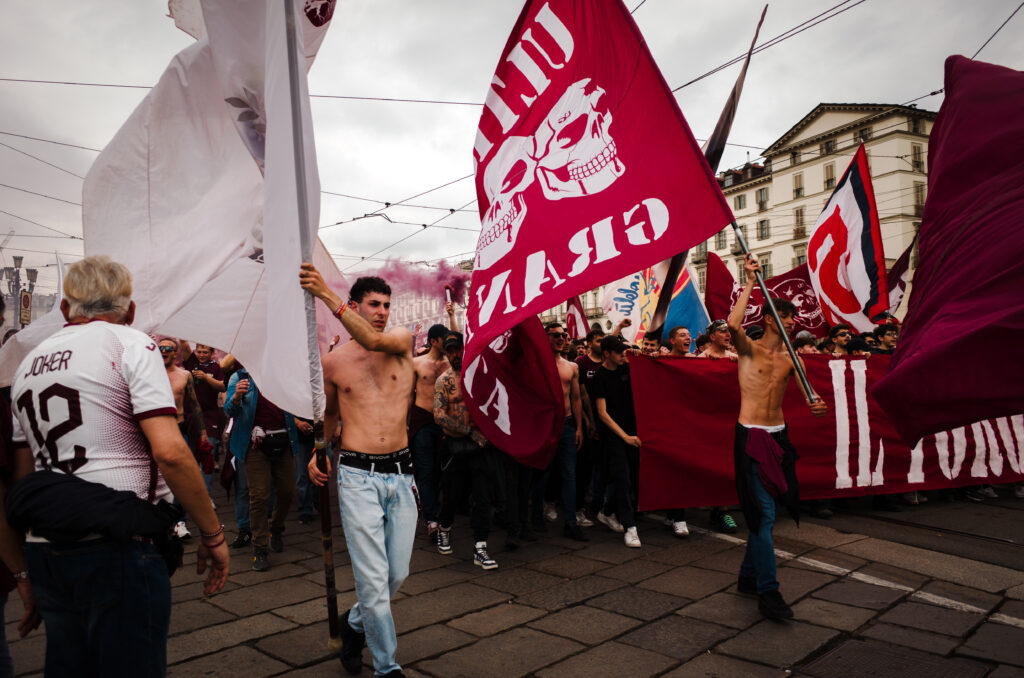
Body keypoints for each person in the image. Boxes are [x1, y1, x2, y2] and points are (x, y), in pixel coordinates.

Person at [10, 256, 228, 676]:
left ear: (65, 309)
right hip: (117, 540)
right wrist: (212, 533)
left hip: (45, 545)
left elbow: (23, 478)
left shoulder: (27, 364)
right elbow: (170, 451)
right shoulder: (130, 343)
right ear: (130, 311)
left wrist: (25, 568)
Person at [301, 263, 417, 678]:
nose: (382, 312)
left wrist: (324, 293)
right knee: (372, 580)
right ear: (355, 306)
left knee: (396, 574)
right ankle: (387, 666)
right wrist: (318, 453)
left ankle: (354, 625)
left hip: (401, 474)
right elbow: (331, 415)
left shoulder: (401, 341)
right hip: (356, 475)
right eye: (373, 304)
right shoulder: (333, 363)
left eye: (386, 304)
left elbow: (372, 338)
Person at [728, 255, 826, 620]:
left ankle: (747, 577)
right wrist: (752, 281)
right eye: (786, 317)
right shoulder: (748, 350)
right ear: (771, 319)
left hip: (779, 436)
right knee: (765, 515)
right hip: (751, 435)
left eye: (793, 318)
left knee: (768, 511)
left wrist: (818, 405)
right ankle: (769, 592)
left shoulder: (792, 359)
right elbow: (733, 324)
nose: (792, 322)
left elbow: (811, 395)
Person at [433, 332, 499, 570]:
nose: (455, 354)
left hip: (479, 447)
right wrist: (470, 432)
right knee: (452, 496)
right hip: (455, 446)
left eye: (458, 349)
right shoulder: (444, 381)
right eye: (450, 350)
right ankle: (444, 528)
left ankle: (480, 546)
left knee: (483, 498)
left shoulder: (480, 376)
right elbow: (439, 415)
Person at [224, 368, 300, 572]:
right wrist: (237, 397)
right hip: (254, 445)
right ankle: (260, 548)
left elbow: (298, 401)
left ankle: (276, 528)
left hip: (284, 441)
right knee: (259, 495)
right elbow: (229, 411)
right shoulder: (240, 377)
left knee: (287, 492)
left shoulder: (283, 374)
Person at [532, 322, 588, 542]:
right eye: (555, 335)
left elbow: (576, 398)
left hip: (566, 425)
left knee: (569, 474)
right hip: (544, 426)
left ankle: (571, 523)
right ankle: (536, 517)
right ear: (545, 337)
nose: (561, 339)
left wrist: (579, 427)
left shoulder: (571, 367)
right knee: (542, 473)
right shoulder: (536, 364)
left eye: (563, 335)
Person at [591, 336, 643, 547]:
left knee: (632, 477)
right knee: (622, 480)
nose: (623, 354)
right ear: (606, 354)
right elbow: (602, 413)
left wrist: (640, 357)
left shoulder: (627, 368)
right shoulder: (599, 377)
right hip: (613, 436)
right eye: (619, 351)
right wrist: (624, 437)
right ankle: (630, 528)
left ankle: (606, 512)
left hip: (632, 433)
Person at [158, 337, 210, 539]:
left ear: (175, 353)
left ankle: (180, 521)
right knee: (158, 475)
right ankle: (159, 519)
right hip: (157, 430)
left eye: (168, 348)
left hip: (179, 429)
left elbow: (195, 404)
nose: (163, 351)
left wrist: (203, 432)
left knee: (183, 476)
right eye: (160, 348)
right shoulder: (150, 374)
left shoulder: (184, 375)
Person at [409, 324, 450, 536]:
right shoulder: (417, 363)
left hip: (446, 424)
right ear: (434, 341)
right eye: (445, 340)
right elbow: (408, 394)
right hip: (423, 421)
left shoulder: (450, 364)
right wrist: (404, 423)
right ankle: (431, 519)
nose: (449, 343)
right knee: (425, 471)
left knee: (444, 472)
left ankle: (443, 515)